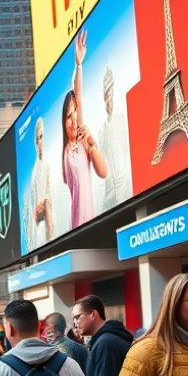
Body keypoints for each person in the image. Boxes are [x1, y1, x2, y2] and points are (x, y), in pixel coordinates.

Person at [61, 30, 108, 229]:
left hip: (90, 223)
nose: (73, 121)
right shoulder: (64, 153)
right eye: (68, 117)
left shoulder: (82, 139)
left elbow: (103, 172)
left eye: (75, 115)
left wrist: (78, 65)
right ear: (63, 120)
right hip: (75, 226)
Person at [98, 66, 132, 212]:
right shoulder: (102, 129)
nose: (108, 100)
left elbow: (127, 148)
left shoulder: (121, 117)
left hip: (124, 182)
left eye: (110, 94)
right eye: (105, 96)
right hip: (111, 188)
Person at [30, 116, 55, 248]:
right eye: (39, 137)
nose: (41, 141)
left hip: (47, 233)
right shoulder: (37, 169)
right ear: (35, 141)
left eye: (42, 136)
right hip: (42, 233)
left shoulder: (47, 163)